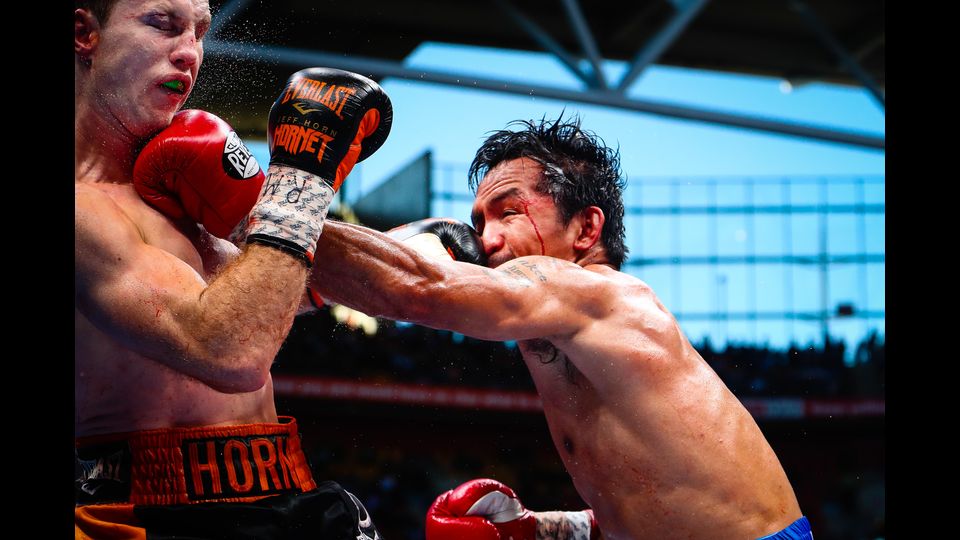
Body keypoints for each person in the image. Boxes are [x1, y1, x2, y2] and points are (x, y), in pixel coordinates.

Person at [309, 116, 812, 539]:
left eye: (508, 212)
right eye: (479, 222)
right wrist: (537, 528)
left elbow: (416, 287)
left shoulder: (596, 293)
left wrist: (276, 208)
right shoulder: (563, 330)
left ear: (586, 229)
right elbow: (658, 503)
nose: (485, 240)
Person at [74, 0, 390, 537]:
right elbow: (230, 348)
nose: (188, 53)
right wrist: (304, 177)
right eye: (164, 25)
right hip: (158, 512)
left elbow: (273, 286)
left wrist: (408, 248)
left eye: (199, 32)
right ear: (85, 33)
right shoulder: (83, 207)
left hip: (287, 487)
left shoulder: (179, 173)